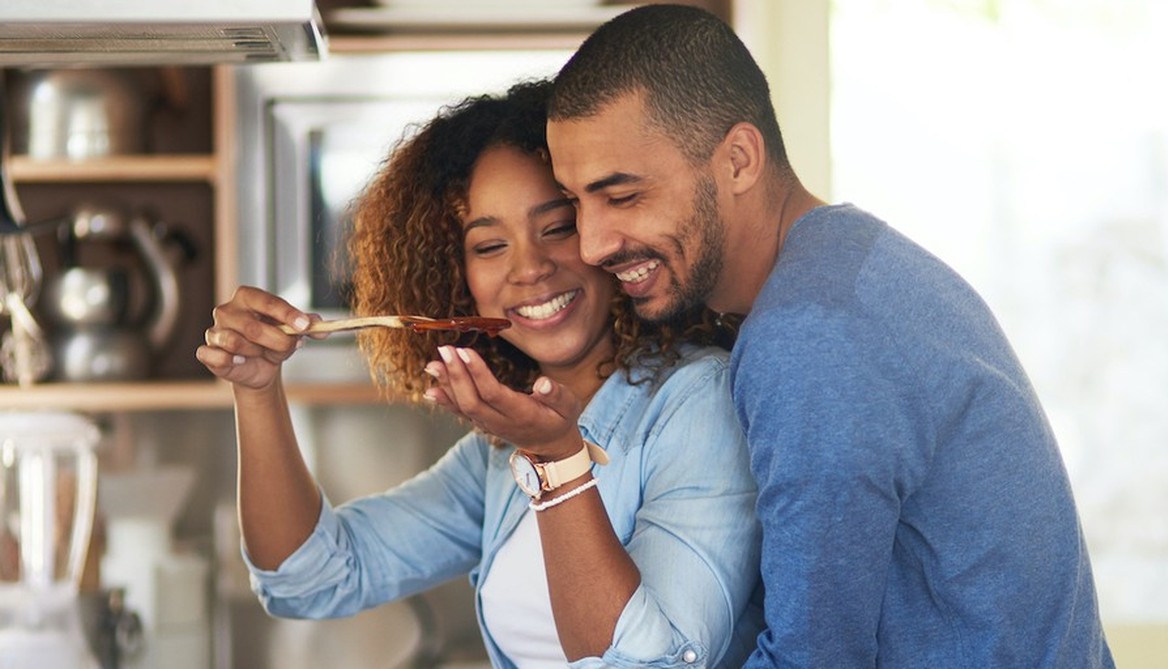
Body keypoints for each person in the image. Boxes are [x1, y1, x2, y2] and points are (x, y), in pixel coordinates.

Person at [544, 5, 1115, 668]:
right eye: (575, 201)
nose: (591, 243)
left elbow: (813, 659)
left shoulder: (811, 337)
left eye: (623, 196)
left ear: (738, 160)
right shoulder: (853, 265)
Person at [196, 79, 764, 668]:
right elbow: (312, 580)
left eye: (557, 228)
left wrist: (558, 463)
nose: (529, 268)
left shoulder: (699, 399)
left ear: (607, 233)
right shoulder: (501, 456)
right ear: (456, 277)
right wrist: (257, 389)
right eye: (490, 245)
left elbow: (659, 662)